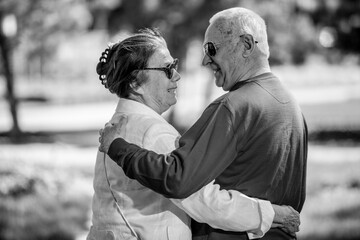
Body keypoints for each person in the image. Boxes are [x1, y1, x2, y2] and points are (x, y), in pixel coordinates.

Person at [98, 7, 308, 240]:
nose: (205, 60)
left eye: (211, 49)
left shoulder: (234, 106)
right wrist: (275, 215)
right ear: (136, 83)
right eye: (168, 69)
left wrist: (117, 146)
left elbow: (178, 179)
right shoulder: (290, 104)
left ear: (247, 45)